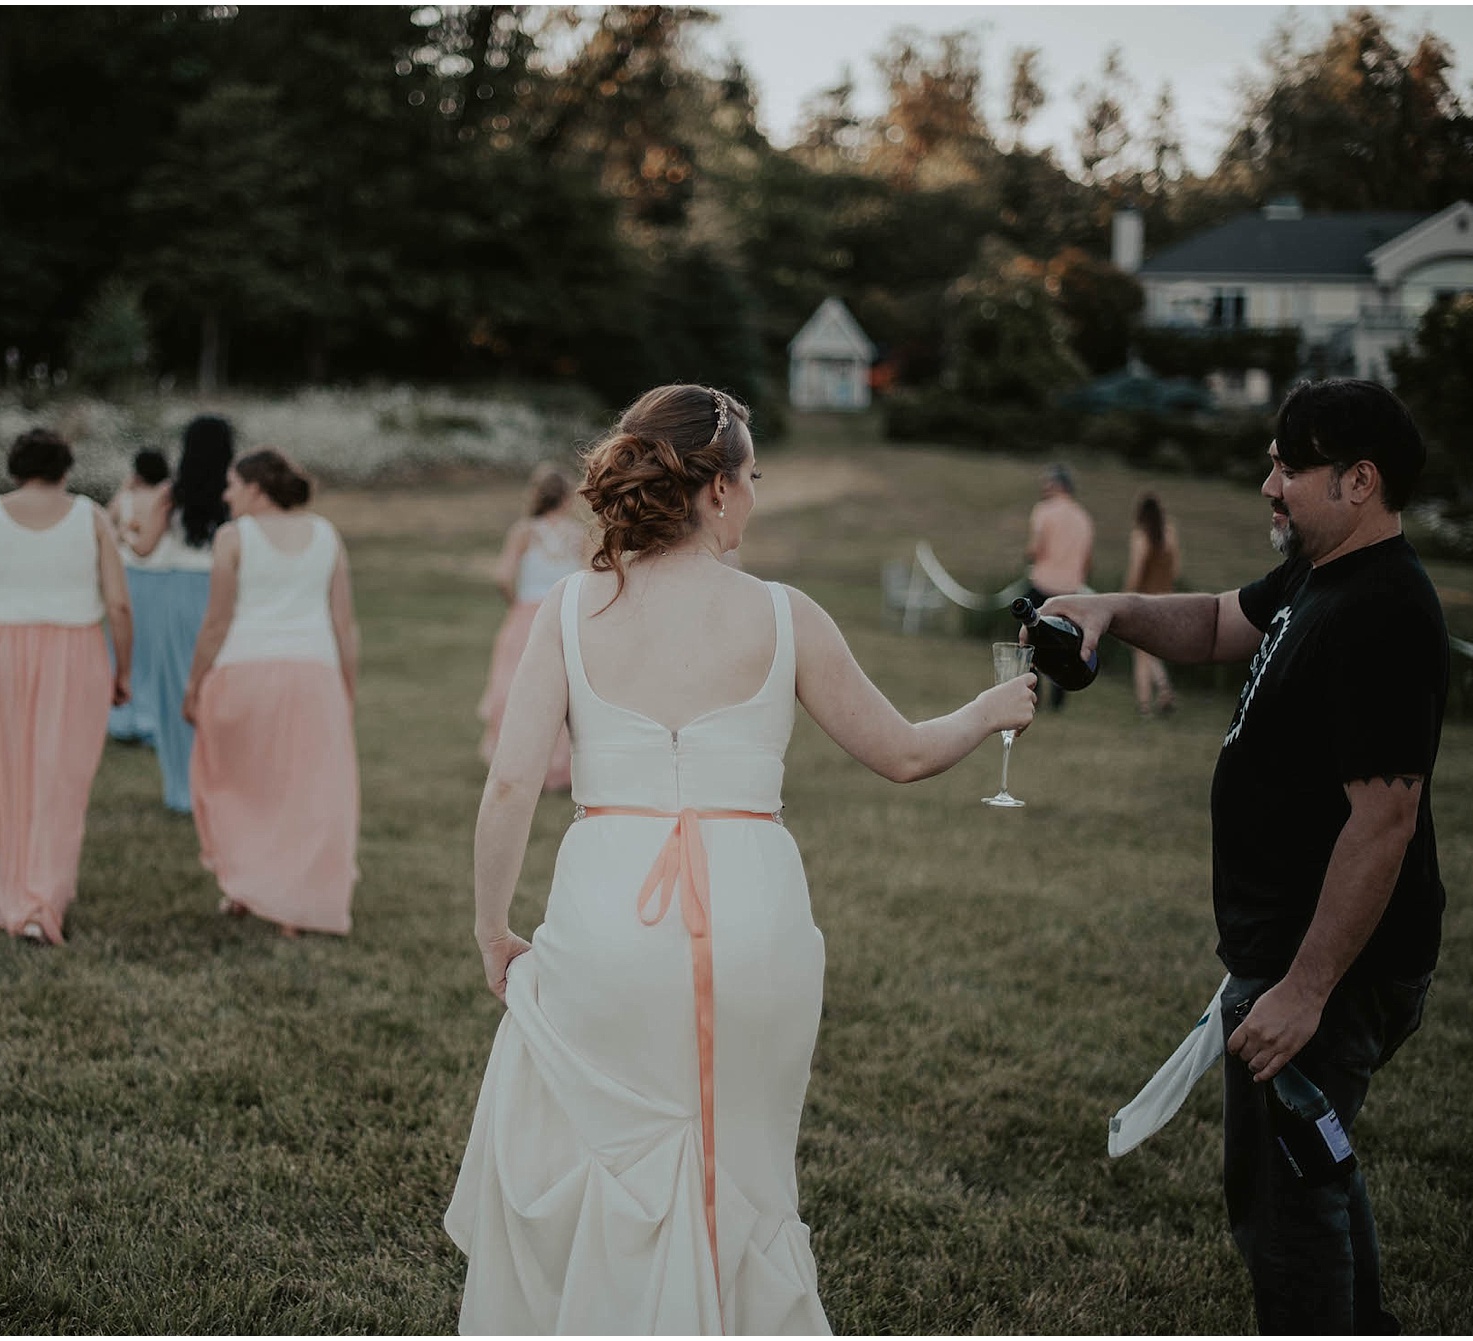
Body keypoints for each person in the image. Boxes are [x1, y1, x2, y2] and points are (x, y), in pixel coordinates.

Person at [444, 384, 1036, 1333]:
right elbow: (905, 753)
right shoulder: (786, 614)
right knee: (742, 1165)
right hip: (755, 927)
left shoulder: (567, 610)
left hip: (608, 917)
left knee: (605, 1152)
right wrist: (992, 709)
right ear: (716, 491)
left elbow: (511, 786)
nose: (755, 494)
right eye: (753, 476)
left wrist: (491, 931)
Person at [1034, 379, 1447, 1333]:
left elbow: (1384, 822)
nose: (1268, 483)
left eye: (1287, 465)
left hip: (1328, 970)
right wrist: (1110, 607)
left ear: (1359, 480)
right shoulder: (1321, 570)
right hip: (1288, 957)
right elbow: (1223, 622)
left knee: (1285, 1218)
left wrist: (1301, 989)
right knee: (1315, 1170)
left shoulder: (1383, 610)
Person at [0, 427, 132, 945]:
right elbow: (118, 604)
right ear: (65, 469)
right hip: (75, 651)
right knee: (59, 779)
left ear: (15, 467)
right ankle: (39, 899)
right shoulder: (91, 517)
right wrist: (122, 672)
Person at [181, 449, 359, 938]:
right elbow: (344, 626)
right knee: (304, 790)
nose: (226, 494)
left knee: (241, 785)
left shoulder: (233, 538)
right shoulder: (326, 535)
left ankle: (252, 886)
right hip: (314, 674)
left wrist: (194, 683)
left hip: (245, 672)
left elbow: (216, 622)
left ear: (256, 489)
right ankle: (284, 900)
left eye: (232, 484)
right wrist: (346, 687)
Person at [125, 419, 233, 813]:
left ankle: (182, 789)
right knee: (220, 689)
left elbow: (144, 549)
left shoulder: (172, 495)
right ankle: (222, 781)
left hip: (178, 595)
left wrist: (127, 530)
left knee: (177, 688)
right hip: (224, 594)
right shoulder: (237, 495)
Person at [478, 464, 582, 790]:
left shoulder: (524, 532)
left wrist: (517, 603)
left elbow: (502, 576)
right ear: (566, 498)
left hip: (527, 616)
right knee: (563, 690)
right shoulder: (579, 536)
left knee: (513, 686)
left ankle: (513, 761)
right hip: (564, 616)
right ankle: (559, 766)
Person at [104, 449, 170, 744]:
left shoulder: (126, 500)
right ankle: (150, 718)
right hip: (160, 580)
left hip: (128, 577)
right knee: (155, 650)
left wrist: (123, 491)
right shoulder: (166, 500)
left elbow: (105, 526)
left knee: (125, 649)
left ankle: (122, 718)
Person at [1024, 462, 1095, 709]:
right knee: (1066, 645)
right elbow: (1087, 560)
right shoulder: (1084, 518)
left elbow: (1035, 549)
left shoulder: (1044, 510)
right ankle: (1059, 698)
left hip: (1043, 584)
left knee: (1029, 642)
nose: (1044, 487)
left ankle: (1034, 693)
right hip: (1070, 590)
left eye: (1047, 483)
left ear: (1058, 485)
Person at [1122, 490, 1181, 717]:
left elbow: (1136, 572)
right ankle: (1164, 689)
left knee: (1141, 652)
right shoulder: (1169, 533)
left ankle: (1145, 705)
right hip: (1166, 598)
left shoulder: (1140, 536)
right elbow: (1175, 569)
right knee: (1149, 650)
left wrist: (1125, 595)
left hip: (1144, 599)